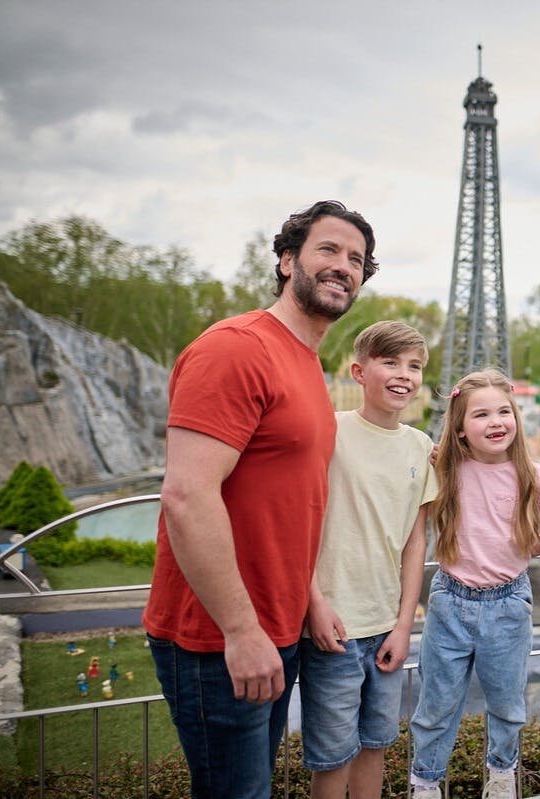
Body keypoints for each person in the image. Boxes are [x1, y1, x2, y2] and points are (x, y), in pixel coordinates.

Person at [143, 200, 377, 799]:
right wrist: (240, 631)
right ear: (286, 260)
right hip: (216, 639)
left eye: (356, 259)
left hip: (278, 626)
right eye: (328, 250)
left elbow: (286, 509)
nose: (343, 266)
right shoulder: (237, 349)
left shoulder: (304, 363)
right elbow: (188, 495)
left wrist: (308, 599)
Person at [409, 369, 540, 799]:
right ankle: (425, 780)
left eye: (504, 411)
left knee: (506, 705)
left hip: (507, 604)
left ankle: (501, 774)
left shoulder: (532, 475)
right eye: (481, 414)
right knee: (436, 705)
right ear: (461, 430)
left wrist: (521, 552)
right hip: (449, 601)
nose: (496, 421)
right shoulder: (445, 467)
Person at [299, 321, 437, 799]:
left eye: (414, 365)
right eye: (390, 362)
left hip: (385, 628)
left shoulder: (421, 446)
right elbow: (298, 524)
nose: (404, 374)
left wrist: (404, 626)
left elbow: (416, 541)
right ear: (358, 371)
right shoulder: (329, 430)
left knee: (375, 745)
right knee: (331, 756)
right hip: (333, 626)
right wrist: (313, 603)